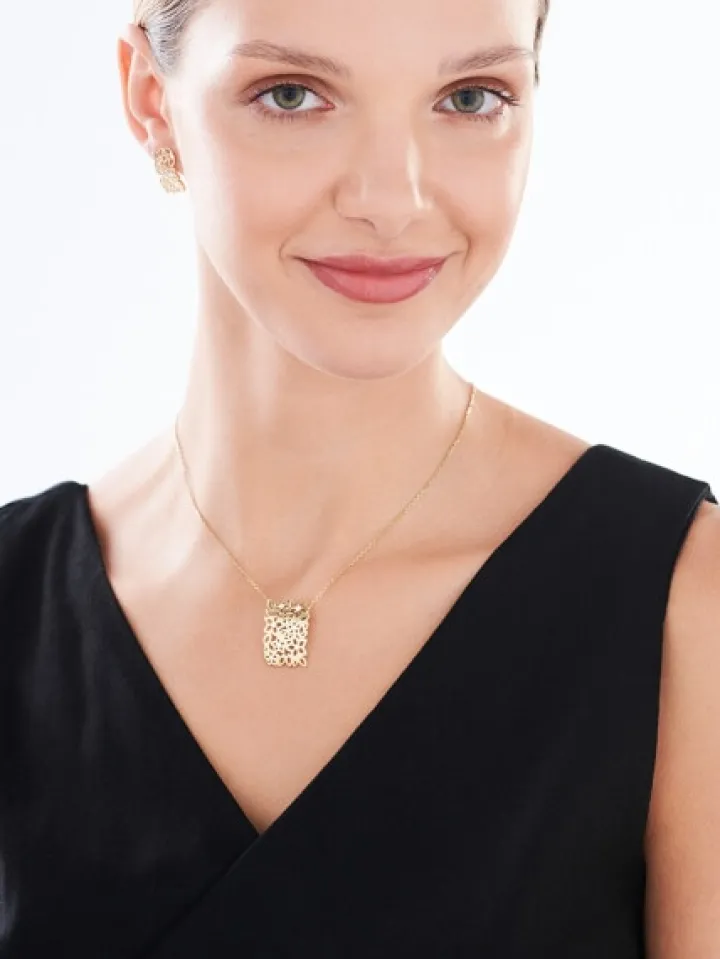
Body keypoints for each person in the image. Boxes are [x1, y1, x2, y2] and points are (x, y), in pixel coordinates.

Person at [0, 0, 718, 955]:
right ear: (151, 101)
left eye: (470, 97)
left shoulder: (686, 605)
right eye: (292, 94)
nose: (393, 197)